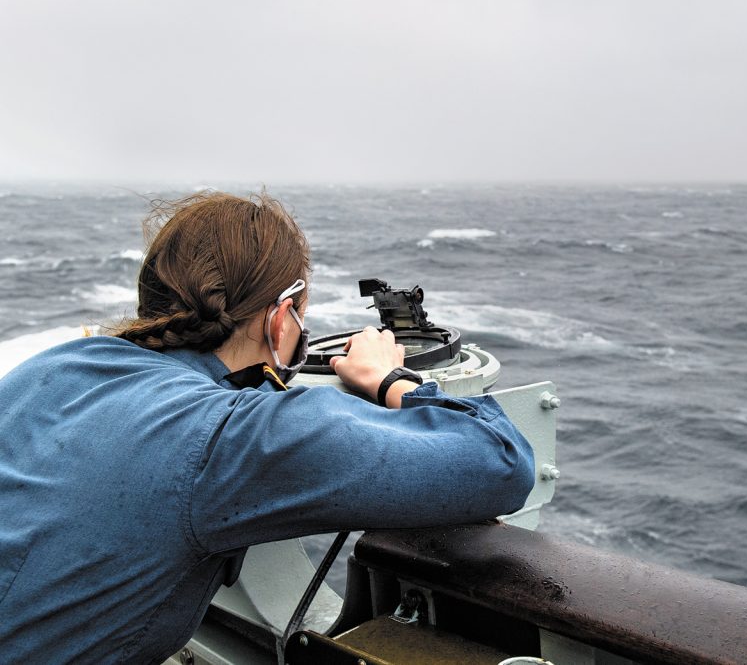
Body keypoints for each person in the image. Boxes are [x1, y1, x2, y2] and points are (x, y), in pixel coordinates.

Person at [0, 191, 535, 664]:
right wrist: (387, 378)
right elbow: (503, 462)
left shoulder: (50, 369)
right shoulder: (230, 436)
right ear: (283, 320)